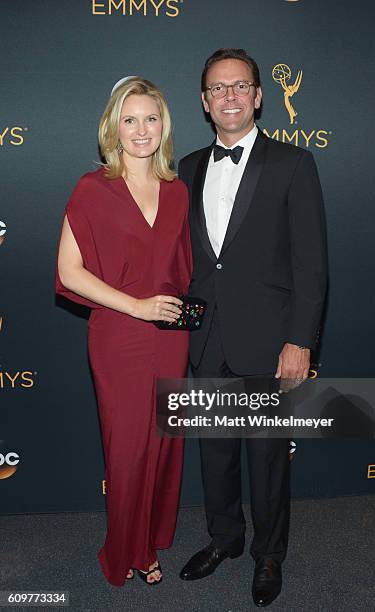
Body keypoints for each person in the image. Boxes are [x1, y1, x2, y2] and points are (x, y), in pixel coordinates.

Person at [178, 49, 328, 607]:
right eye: (218, 88)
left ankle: (269, 555)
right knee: (214, 452)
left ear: (259, 96)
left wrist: (301, 341)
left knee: (267, 458)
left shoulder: (293, 164)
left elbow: (312, 265)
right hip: (206, 337)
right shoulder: (189, 167)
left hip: (271, 342)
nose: (230, 97)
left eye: (241, 86)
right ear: (204, 102)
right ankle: (225, 540)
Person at [56, 77, 192, 587]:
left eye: (150, 118)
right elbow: (70, 271)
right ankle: (125, 550)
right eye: (129, 119)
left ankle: (151, 537)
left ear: (164, 126)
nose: (141, 129)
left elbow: (184, 270)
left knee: (164, 440)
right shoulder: (93, 188)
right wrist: (135, 305)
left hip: (170, 337)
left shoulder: (178, 192)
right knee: (128, 448)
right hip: (119, 335)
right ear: (113, 127)